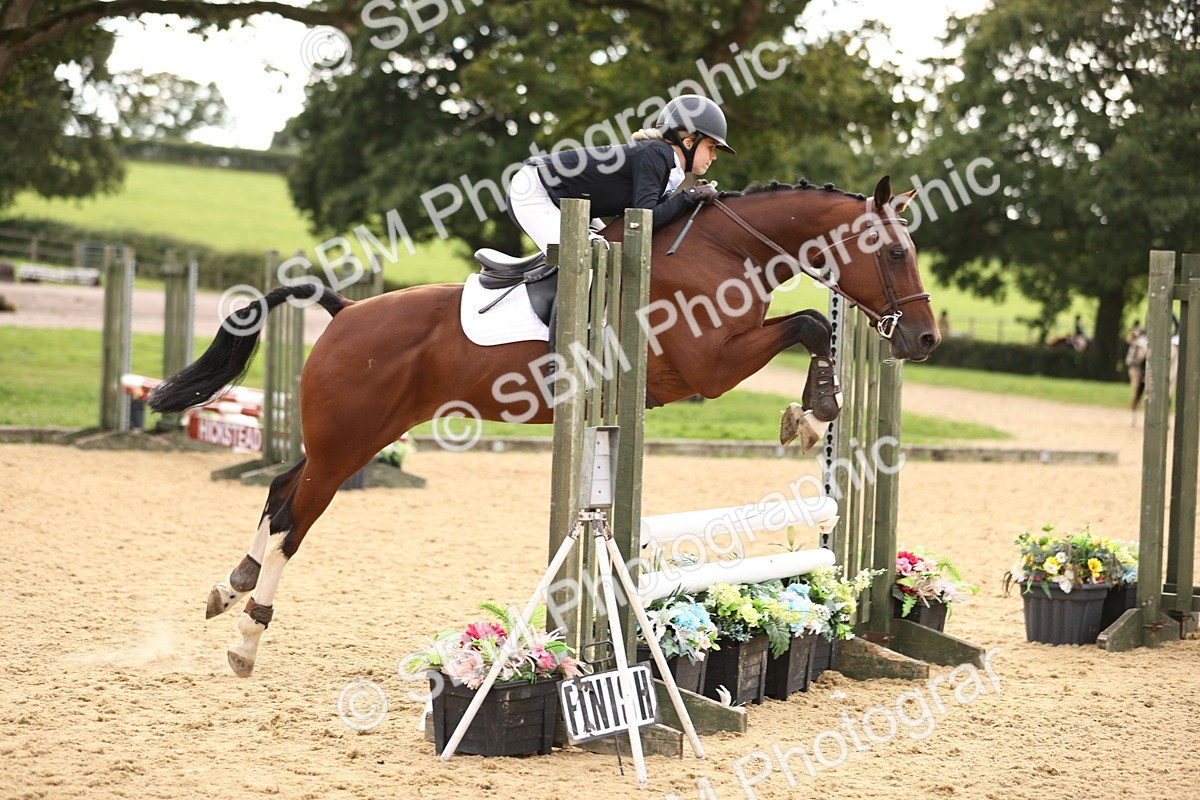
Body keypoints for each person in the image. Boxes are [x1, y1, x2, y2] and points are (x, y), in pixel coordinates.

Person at [506, 94, 735, 254]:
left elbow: (649, 221)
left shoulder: (668, 165)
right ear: (688, 142)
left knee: (607, 256)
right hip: (535, 190)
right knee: (585, 262)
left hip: (566, 201)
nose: (713, 156)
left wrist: (689, 199)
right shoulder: (657, 154)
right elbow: (642, 220)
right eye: (711, 147)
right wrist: (690, 195)